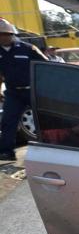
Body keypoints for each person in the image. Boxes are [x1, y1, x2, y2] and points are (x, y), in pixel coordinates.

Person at [0, 18, 46, 160]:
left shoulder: (28, 48)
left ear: (10, 34)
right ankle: (7, 152)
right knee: (8, 121)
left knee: (43, 120)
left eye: (4, 34)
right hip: (13, 92)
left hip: (33, 91)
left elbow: (45, 66)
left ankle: (50, 148)